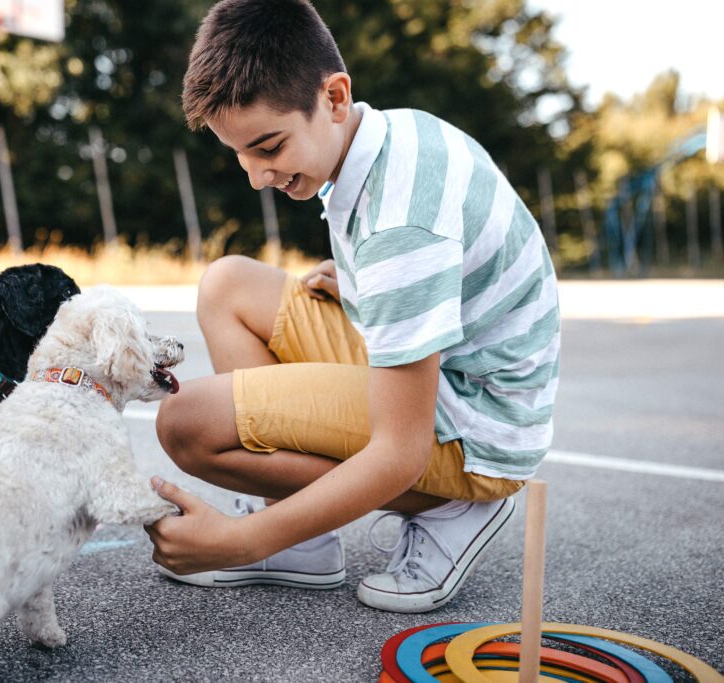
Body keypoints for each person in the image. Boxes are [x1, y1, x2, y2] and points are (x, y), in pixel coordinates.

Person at [145, 0, 560, 613]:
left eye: (268, 146)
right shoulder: (388, 135)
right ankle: (303, 536)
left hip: (476, 427)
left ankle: (452, 507)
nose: (257, 176)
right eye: (240, 154)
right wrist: (366, 284)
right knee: (227, 285)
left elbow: (400, 449)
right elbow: (445, 259)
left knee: (188, 425)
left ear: (335, 97)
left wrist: (235, 542)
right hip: (450, 372)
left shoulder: (401, 227)